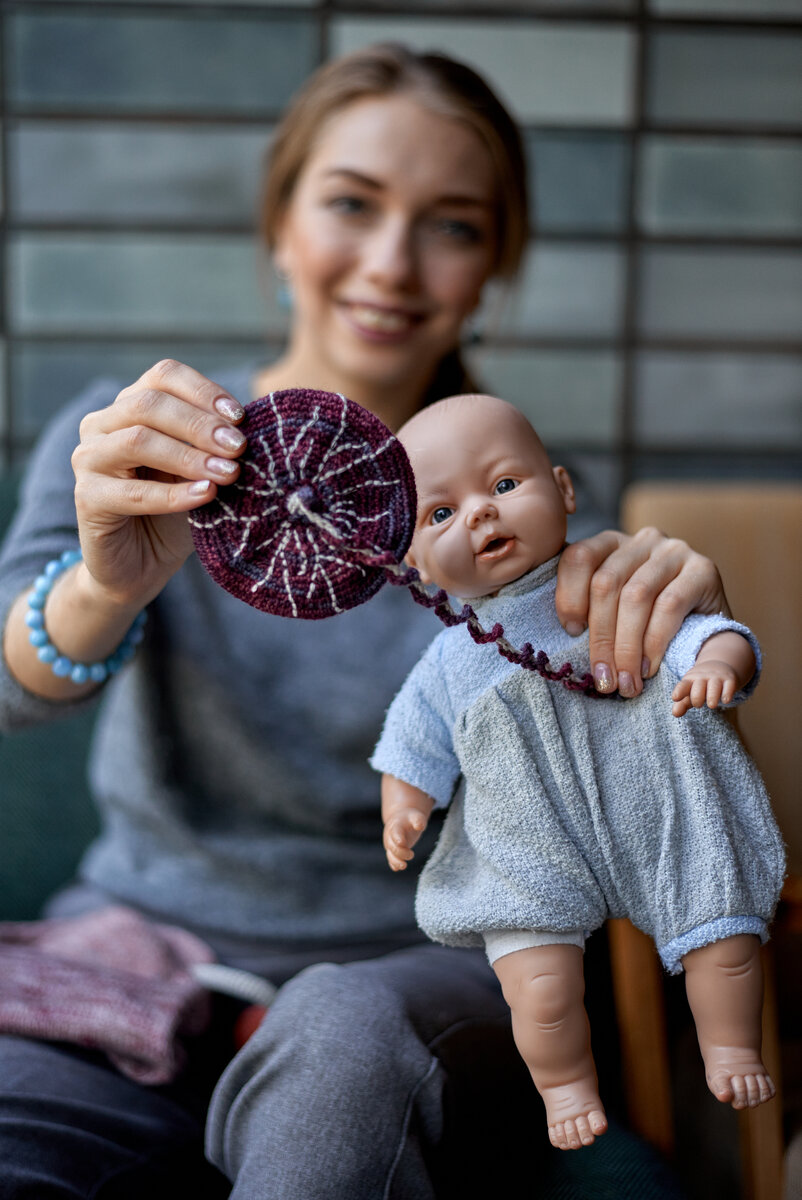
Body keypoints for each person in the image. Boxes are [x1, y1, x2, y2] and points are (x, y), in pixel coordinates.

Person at [0, 43, 732, 1199]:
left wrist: (679, 647)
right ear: (280, 223)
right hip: (140, 951)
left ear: (493, 264)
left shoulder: (533, 522)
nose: (391, 264)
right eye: (351, 203)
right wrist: (108, 583)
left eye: (451, 226)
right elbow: (15, 688)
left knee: (343, 1040)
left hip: (419, 962)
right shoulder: (132, 446)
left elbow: (617, 788)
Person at [374, 392, 785, 1154]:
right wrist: (406, 803)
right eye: (441, 514)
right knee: (538, 986)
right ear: (413, 563)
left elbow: (711, 632)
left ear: (562, 490)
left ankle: (730, 1047)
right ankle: (564, 1085)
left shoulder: (607, 590)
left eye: (504, 485)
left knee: (723, 932)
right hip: (531, 842)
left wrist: (719, 665)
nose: (481, 514)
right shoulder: (450, 657)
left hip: (658, 805)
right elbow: (412, 739)